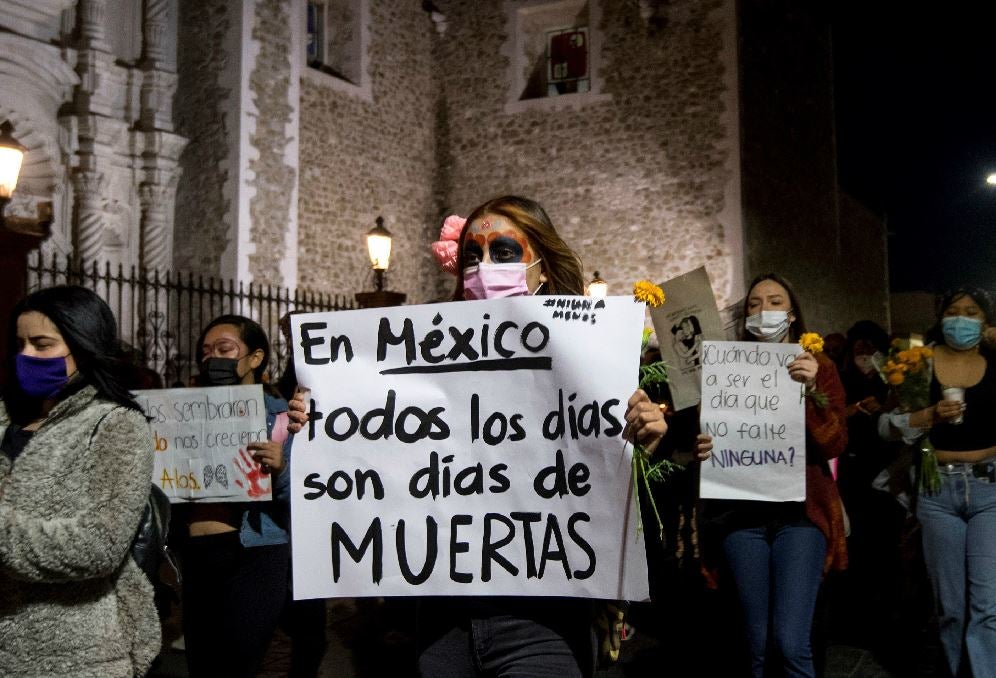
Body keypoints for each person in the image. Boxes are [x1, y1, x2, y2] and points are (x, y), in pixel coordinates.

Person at [289, 195, 705, 677]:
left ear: (542, 267)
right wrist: (320, 421)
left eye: (504, 252)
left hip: (545, 621)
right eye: (472, 255)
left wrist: (641, 445)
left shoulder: (592, 361)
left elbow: (614, 499)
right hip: (445, 622)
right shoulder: (418, 361)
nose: (484, 267)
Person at [0, 285, 159, 677]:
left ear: (84, 346)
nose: (27, 356)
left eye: (42, 344)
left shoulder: (116, 425)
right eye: (20, 344)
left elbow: (99, 545)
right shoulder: (3, 419)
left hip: (73, 656)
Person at [702, 273, 848, 678]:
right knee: (757, 645)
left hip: (801, 517)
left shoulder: (820, 366)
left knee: (789, 640)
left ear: (792, 313)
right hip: (741, 517)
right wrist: (705, 448)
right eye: (753, 304)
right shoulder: (728, 367)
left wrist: (809, 390)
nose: (762, 311)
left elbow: (835, 444)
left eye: (774, 301)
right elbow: (713, 437)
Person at [179, 314, 295, 677]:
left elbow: (304, 497)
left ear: (255, 358)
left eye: (225, 349)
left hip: (255, 553)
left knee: (239, 664)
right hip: (197, 555)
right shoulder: (180, 413)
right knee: (202, 663)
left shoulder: (281, 417)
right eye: (206, 352)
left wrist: (281, 469)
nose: (213, 358)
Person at [896, 287, 996, 678]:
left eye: (972, 312)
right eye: (954, 310)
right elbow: (889, 426)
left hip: (990, 487)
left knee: (987, 606)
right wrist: (928, 416)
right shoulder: (917, 362)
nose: (962, 318)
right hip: (938, 491)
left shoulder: (994, 358)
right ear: (940, 317)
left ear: (985, 321)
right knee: (951, 608)